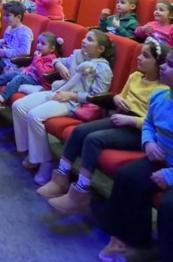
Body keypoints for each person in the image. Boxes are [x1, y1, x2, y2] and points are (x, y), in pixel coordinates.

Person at [39, 38, 167, 214]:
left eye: (145, 56)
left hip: (140, 129)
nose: (139, 58)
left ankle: (79, 193)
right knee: (79, 131)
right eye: (140, 54)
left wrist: (130, 120)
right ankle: (60, 178)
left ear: (158, 63)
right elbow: (121, 96)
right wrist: (118, 98)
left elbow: (154, 122)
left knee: (94, 140)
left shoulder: (161, 89)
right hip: (122, 117)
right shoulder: (135, 76)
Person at [97, 49, 173, 262]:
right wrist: (148, 143)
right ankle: (126, 239)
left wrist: (170, 175)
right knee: (128, 177)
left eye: (170, 65)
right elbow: (149, 124)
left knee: (170, 207)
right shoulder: (161, 96)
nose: (163, 67)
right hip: (160, 156)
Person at [12, 29, 114, 184]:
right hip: (59, 92)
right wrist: (59, 65)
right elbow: (57, 60)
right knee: (19, 106)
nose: (84, 41)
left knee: (34, 116)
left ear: (100, 49)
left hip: (75, 102)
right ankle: (32, 153)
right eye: (85, 37)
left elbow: (96, 96)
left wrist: (72, 96)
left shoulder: (103, 68)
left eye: (89, 39)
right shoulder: (78, 55)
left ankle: (45, 162)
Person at [0, 31, 61, 108]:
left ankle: (0, 99)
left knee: (19, 78)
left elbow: (43, 73)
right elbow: (32, 65)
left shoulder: (52, 60)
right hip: (31, 76)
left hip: (38, 80)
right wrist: (26, 69)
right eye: (38, 42)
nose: (38, 45)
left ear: (52, 49)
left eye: (43, 44)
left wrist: (37, 58)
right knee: (10, 73)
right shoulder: (40, 55)